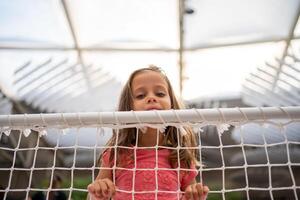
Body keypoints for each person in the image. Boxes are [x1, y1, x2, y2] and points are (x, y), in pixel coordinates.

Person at [87, 66, 209, 200]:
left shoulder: (180, 157)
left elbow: (190, 195)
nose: (151, 98)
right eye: (140, 95)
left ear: (172, 105)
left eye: (160, 94)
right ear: (128, 108)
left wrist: (195, 195)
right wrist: (98, 191)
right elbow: (93, 196)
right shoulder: (116, 154)